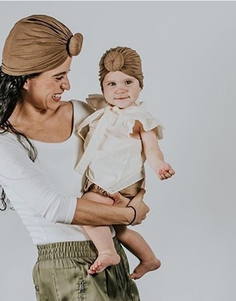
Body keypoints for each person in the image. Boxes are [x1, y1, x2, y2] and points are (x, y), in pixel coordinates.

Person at [0, 15, 150, 301]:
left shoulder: (81, 112)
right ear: (25, 78)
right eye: (58, 76)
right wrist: (130, 213)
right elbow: (55, 207)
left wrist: (136, 197)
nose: (68, 85)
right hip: (68, 267)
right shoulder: (1, 143)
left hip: (112, 252)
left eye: (68, 74)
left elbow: (122, 159)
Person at [74, 46, 175, 280]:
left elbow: (151, 148)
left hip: (121, 183)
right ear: (103, 88)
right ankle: (149, 259)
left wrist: (159, 165)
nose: (120, 90)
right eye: (112, 84)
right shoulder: (100, 114)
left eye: (128, 83)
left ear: (140, 86)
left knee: (85, 213)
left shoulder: (141, 118)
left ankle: (107, 252)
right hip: (102, 180)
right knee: (119, 230)